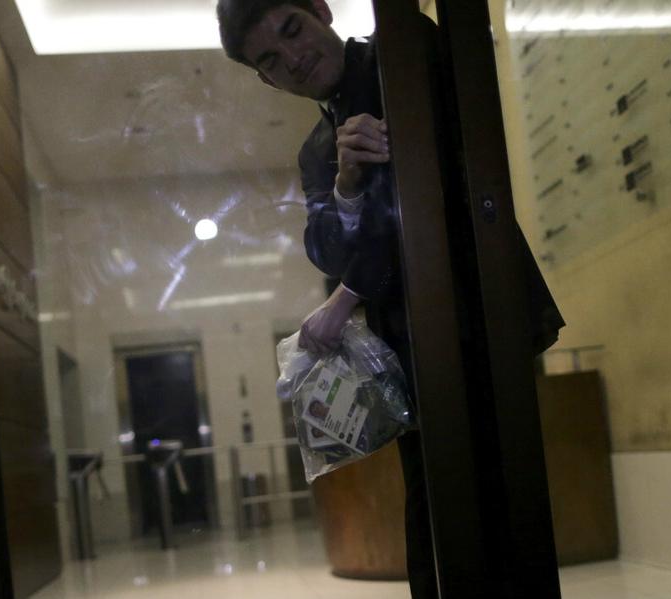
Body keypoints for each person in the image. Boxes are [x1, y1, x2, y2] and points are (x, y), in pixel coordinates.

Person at [217, 2, 564, 597]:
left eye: (292, 30)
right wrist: (346, 186)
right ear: (263, 78)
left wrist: (343, 299)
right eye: (269, 60)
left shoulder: (398, 54)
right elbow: (322, 246)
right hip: (411, 343)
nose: (293, 59)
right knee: (436, 503)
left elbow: (422, 201)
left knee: (498, 498)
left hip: (475, 308)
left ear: (321, 11)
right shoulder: (315, 149)